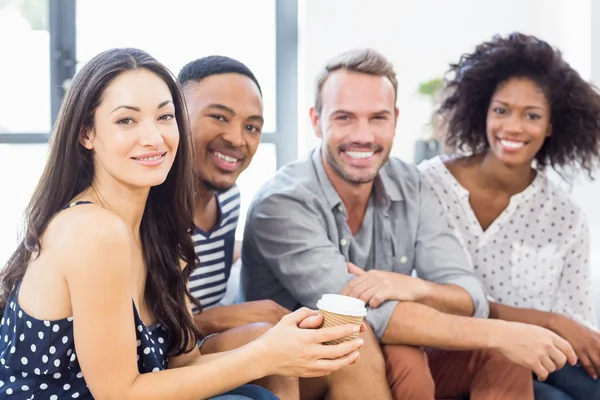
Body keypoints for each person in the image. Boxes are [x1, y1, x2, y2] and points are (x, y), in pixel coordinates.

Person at [0, 47, 365, 400]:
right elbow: (119, 394)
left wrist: (284, 346)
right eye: (126, 120)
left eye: (165, 117)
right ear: (86, 134)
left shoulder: (159, 232)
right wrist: (265, 354)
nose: (154, 137)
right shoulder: (92, 231)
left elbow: (184, 363)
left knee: (268, 376)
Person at [240, 47, 579, 400]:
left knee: (502, 359)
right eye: (344, 117)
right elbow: (363, 315)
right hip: (308, 369)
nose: (363, 135)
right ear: (316, 120)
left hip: (380, 350)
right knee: (407, 351)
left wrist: (417, 287)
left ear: (395, 120)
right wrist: (502, 332)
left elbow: (469, 293)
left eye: (378, 118)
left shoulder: (411, 184)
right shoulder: (282, 203)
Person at [418, 32, 600, 400]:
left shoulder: (564, 216)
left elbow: (576, 330)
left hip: (539, 358)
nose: (513, 127)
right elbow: (427, 298)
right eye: (501, 110)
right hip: (448, 352)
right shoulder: (427, 186)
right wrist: (547, 321)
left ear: (551, 126)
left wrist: (558, 328)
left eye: (531, 115)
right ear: (483, 110)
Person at [177, 55, 296, 399]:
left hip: (204, 350)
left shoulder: (229, 201)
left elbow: (211, 254)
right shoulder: (150, 211)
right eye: (218, 117)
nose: (237, 138)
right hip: (162, 363)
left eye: (252, 127)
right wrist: (219, 317)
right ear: (175, 116)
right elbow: (143, 333)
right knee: (266, 337)